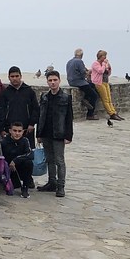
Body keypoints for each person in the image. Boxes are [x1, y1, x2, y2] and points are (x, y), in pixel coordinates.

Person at [36, 70, 73, 198]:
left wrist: (69, 135)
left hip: (59, 133)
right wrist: (38, 134)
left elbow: (69, 117)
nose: (52, 83)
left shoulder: (66, 97)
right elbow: (41, 116)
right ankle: (52, 182)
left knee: (59, 160)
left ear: (59, 81)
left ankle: (61, 186)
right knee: (49, 159)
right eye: (50, 80)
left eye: (54, 80)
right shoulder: (44, 97)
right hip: (46, 132)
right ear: (47, 82)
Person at [0, 67, 39, 140]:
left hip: (27, 129)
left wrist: (32, 124)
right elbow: (2, 111)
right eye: (12, 76)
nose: (15, 78)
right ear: (9, 77)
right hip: (9, 129)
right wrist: (2, 128)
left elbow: (35, 109)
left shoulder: (29, 91)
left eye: (17, 76)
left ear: (21, 76)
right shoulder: (5, 93)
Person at [1, 121, 34, 197]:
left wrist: (15, 160)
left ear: (23, 132)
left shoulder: (25, 140)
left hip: (20, 167)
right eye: (15, 131)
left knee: (29, 163)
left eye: (19, 131)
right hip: (8, 169)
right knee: (13, 186)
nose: (17, 133)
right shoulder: (4, 142)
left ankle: (25, 187)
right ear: (10, 131)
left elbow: (30, 154)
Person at [66, 49, 99, 120]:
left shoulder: (69, 61)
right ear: (81, 55)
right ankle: (90, 114)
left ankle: (86, 99)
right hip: (79, 82)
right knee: (94, 96)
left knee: (92, 85)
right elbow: (83, 73)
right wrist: (89, 72)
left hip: (71, 81)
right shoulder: (79, 61)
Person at [91, 50, 124, 121]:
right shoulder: (95, 63)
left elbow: (107, 73)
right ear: (100, 56)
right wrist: (103, 64)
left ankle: (114, 112)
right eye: (104, 56)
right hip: (99, 83)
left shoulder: (104, 64)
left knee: (109, 99)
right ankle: (111, 114)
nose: (105, 57)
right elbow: (100, 71)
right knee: (105, 99)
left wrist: (108, 68)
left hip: (106, 82)